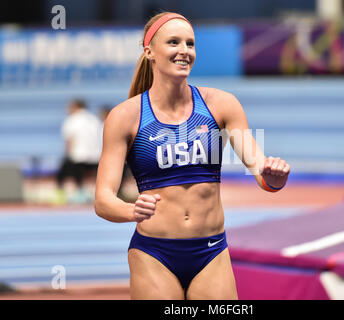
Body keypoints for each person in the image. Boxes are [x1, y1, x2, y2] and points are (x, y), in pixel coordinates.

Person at [94, 12, 290, 300]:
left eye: (190, 43)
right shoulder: (125, 117)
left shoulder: (221, 104)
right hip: (154, 253)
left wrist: (275, 176)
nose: (184, 51)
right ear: (150, 51)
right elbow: (102, 200)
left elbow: (263, 175)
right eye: (173, 42)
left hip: (211, 253)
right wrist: (131, 210)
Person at [53, 99, 102, 204]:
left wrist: (68, 155)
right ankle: (84, 193)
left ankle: (63, 195)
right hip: (96, 157)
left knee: (62, 174)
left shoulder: (72, 120)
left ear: (75, 107)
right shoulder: (94, 119)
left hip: (79, 157)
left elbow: (70, 140)